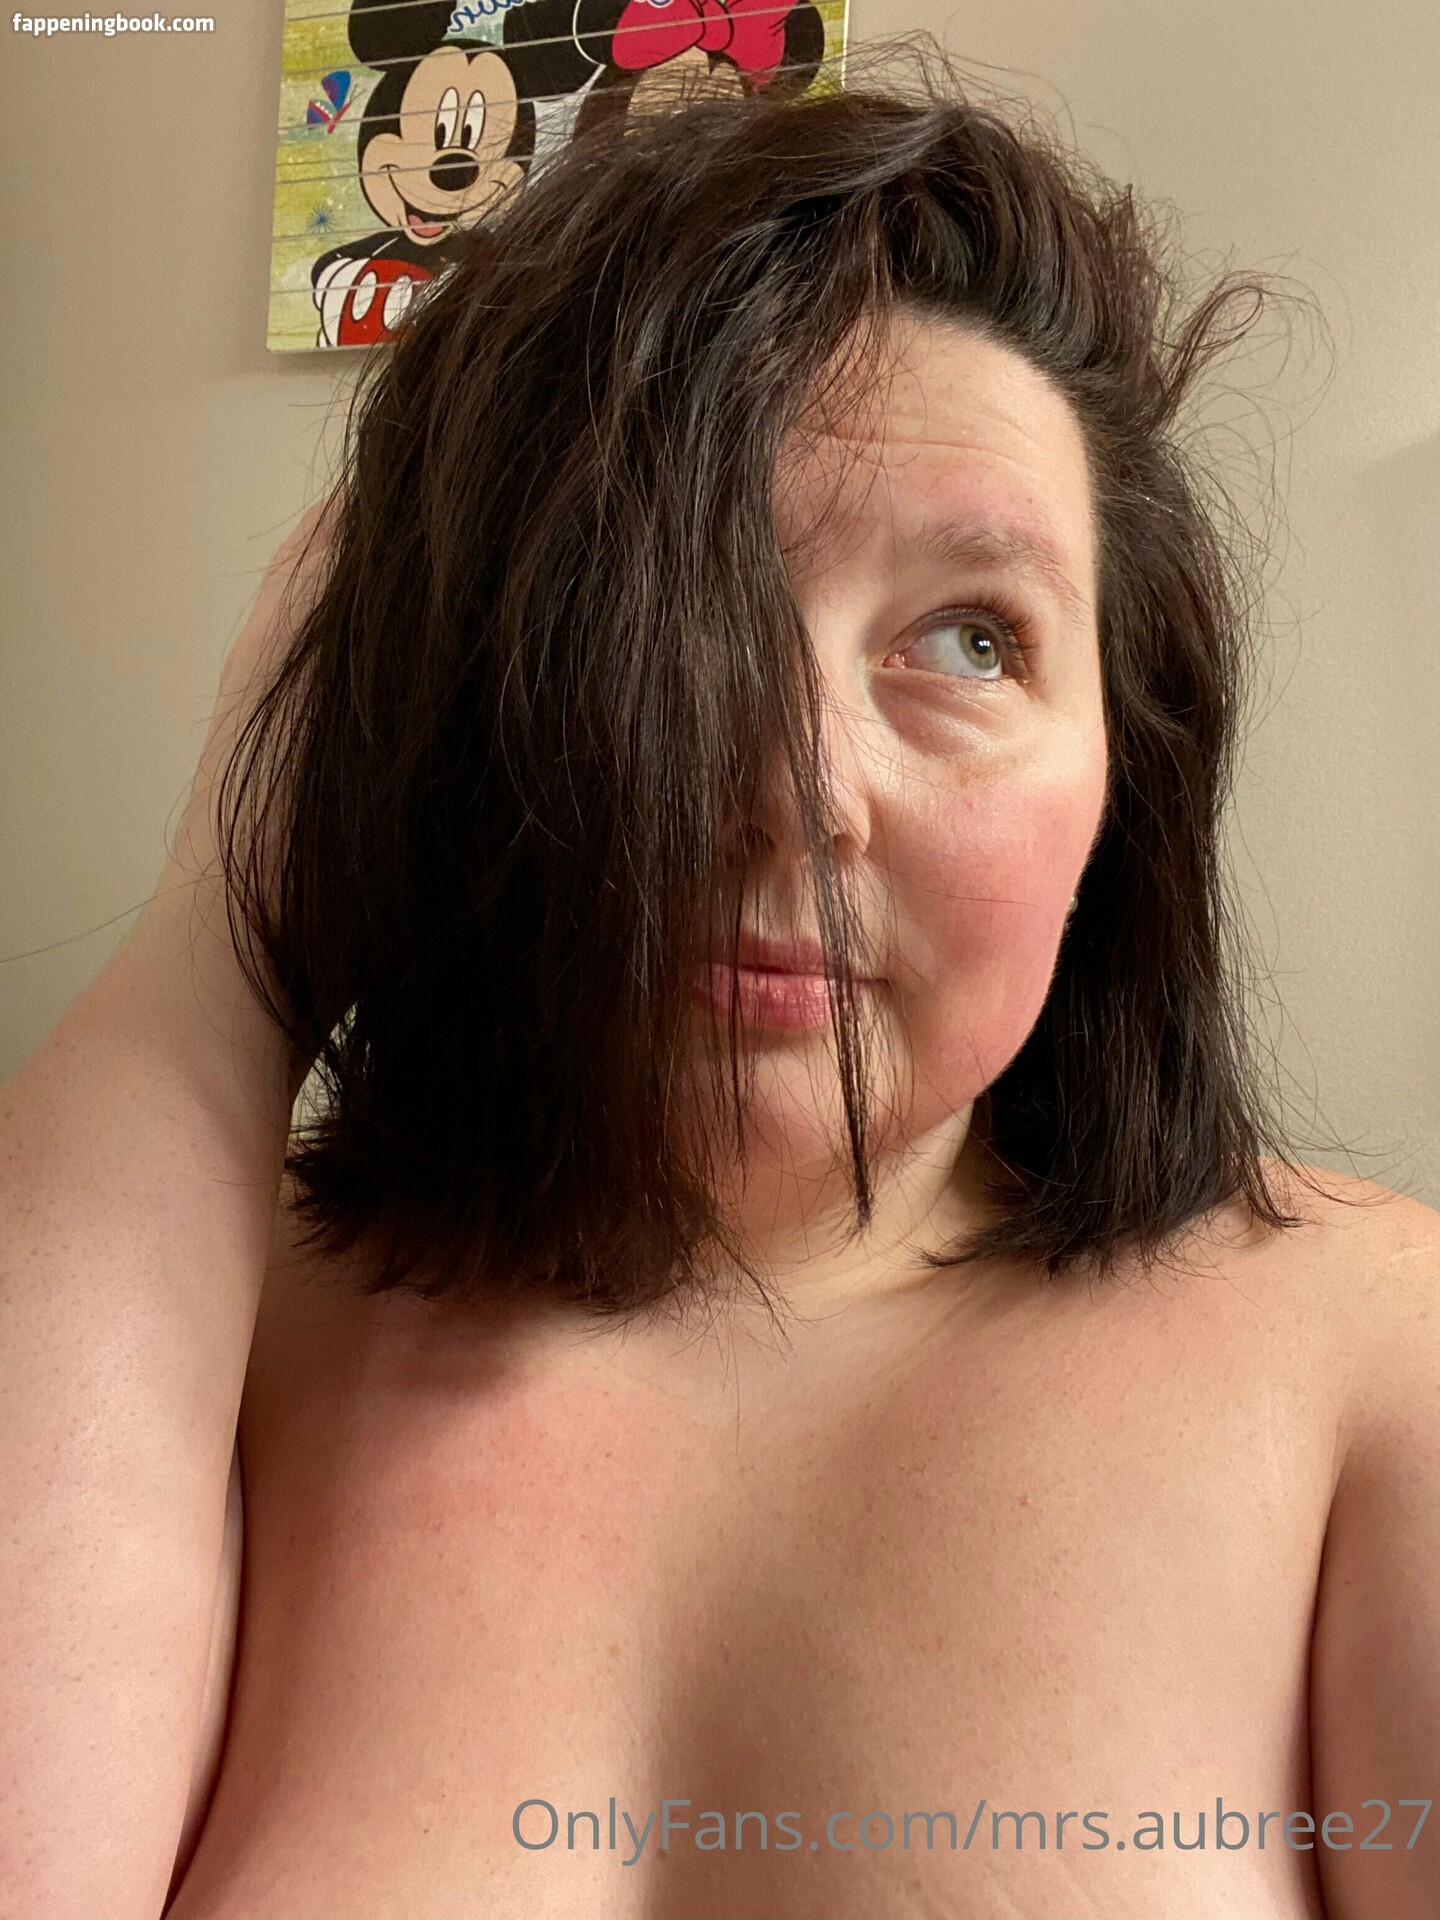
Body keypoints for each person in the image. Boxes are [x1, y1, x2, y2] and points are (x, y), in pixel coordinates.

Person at [2, 57, 1437, 1920]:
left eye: (971, 638)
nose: (791, 783)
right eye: (669, 612)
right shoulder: (184, 1329)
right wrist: (248, 849)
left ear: (1121, 786)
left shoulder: (1381, 1353)